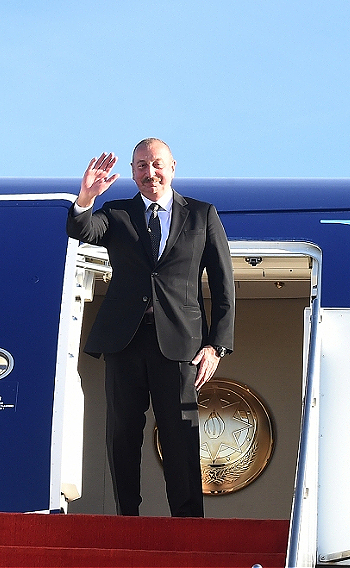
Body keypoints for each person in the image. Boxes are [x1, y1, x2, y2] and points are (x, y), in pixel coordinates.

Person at [66, 138, 235, 517]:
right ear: (132, 172)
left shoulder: (202, 214)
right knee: (122, 432)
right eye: (141, 165)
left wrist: (216, 345)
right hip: (125, 341)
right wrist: (86, 197)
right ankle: (127, 517)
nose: (150, 172)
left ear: (173, 167)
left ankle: (187, 523)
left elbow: (224, 284)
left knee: (180, 433)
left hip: (181, 344)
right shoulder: (117, 213)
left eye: (157, 164)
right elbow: (81, 230)